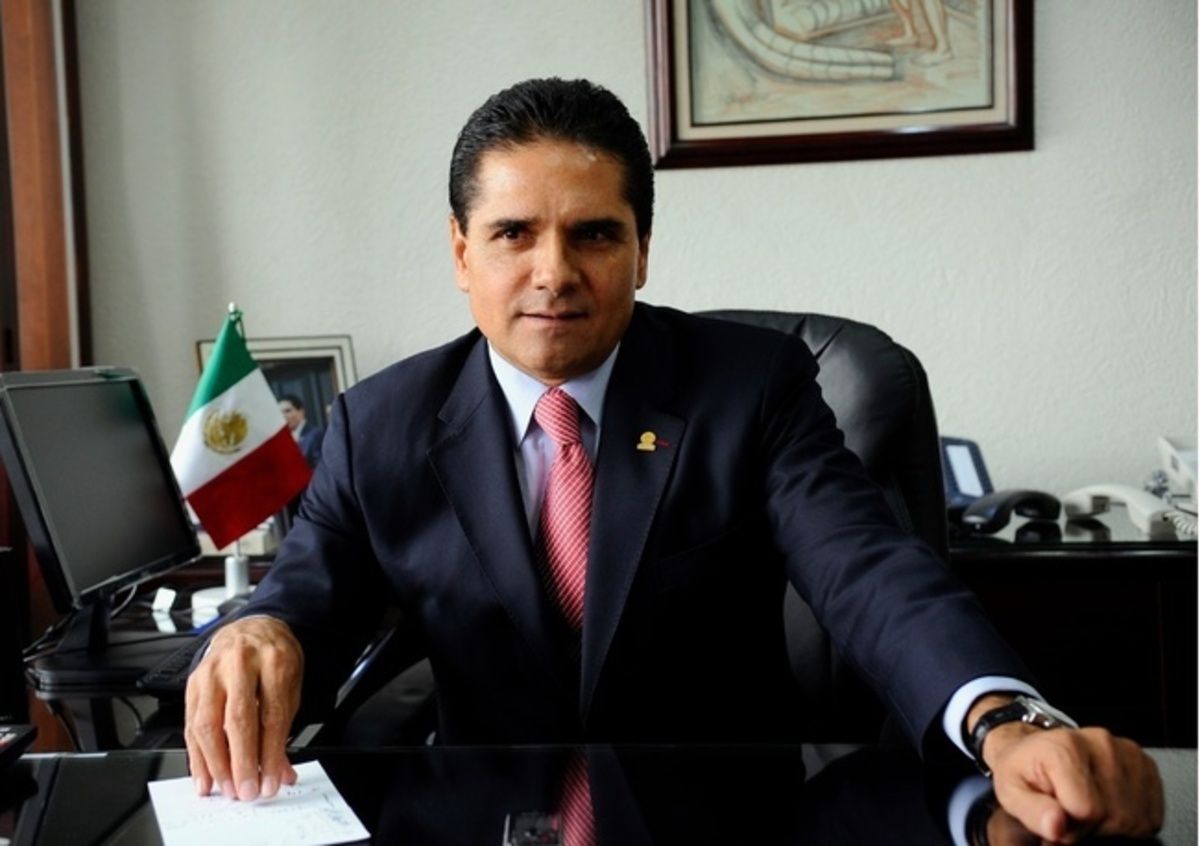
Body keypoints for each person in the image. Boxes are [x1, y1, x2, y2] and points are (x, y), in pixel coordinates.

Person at [186, 78, 1162, 841]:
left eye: (593, 234)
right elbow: (308, 597)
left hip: (731, 821)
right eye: (514, 233)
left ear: (642, 250)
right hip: (493, 818)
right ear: (460, 251)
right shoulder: (381, 424)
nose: (554, 272)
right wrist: (261, 630)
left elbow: (868, 568)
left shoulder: (752, 387)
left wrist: (1003, 718)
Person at [278, 394, 323, 468]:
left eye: (287, 411)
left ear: (301, 411)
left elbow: (320, 467)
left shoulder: (315, 435)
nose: (283, 416)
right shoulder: (281, 439)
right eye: (280, 413)